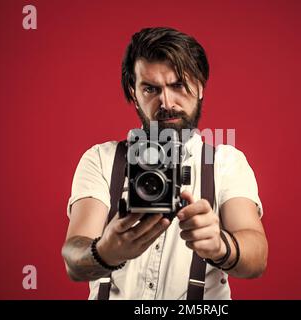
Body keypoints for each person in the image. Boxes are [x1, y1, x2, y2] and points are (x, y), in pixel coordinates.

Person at [61, 27, 268, 300]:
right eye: (150, 89)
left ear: (200, 86)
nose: (167, 102)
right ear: (133, 94)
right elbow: (73, 260)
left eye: (178, 85)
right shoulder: (101, 159)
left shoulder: (226, 162)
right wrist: (106, 251)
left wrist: (221, 246)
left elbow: (257, 257)